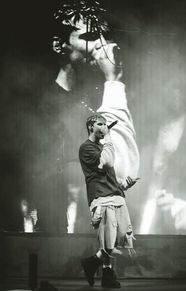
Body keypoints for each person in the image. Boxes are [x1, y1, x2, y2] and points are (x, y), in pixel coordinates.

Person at [29, 0, 139, 233]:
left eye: (102, 35)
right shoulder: (34, 106)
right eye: (89, 36)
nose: (100, 43)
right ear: (59, 45)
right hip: (48, 235)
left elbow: (120, 169)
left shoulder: (91, 108)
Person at [79, 114, 138, 288]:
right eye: (100, 124)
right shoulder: (86, 148)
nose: (105, 127)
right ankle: (106, 273)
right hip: (102, 199)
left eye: (105, 124)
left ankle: (94, 264)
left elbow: (108, 178)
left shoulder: (101, 147)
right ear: (91, 127)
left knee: (117, 239)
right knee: (108, 240)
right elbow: (107, 162)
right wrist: (109, 137)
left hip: (115, 196)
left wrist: (123, 185)